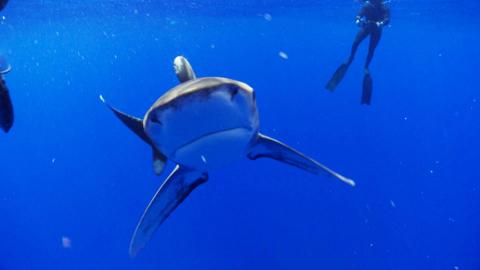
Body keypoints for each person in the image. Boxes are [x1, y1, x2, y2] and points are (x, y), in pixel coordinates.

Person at [326, 0, 390, 105]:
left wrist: (381, 23)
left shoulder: (384, 6)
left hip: (377, 30)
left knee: (371, 49)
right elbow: (359, 14)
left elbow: (387, 19)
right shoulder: (367, 5)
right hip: (368, 27)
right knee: (355, 43)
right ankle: (352, 58)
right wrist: (358, 20)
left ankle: (366, 66)